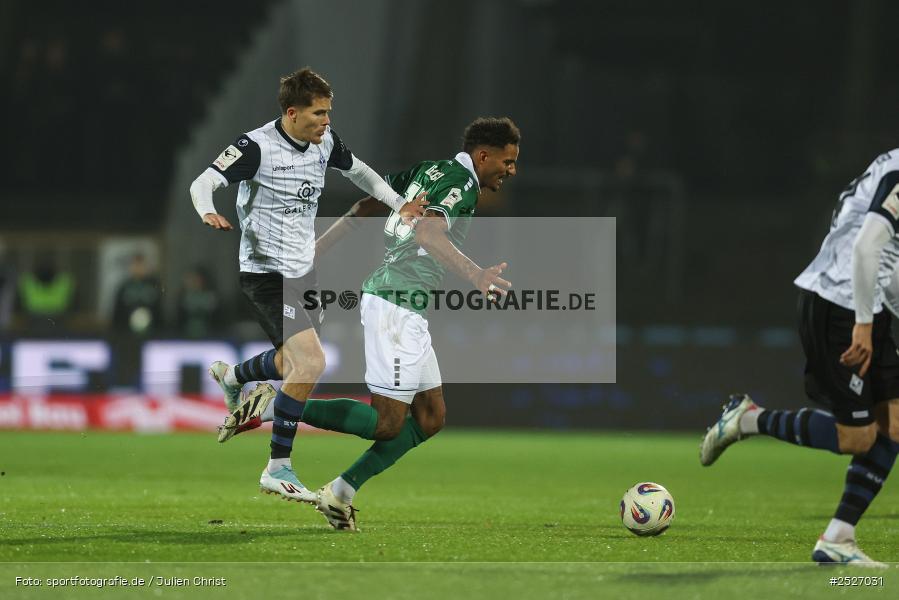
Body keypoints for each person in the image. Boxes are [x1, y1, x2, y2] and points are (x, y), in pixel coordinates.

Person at [219, 117, 521, 530]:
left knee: (430, 417)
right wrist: (476, 275)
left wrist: (315, 250)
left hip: (402, 303)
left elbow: (368, 204)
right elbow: (429, 235)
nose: (511, 170)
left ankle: (340, 493)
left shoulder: (426, 171)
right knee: (387, 422)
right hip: (397, 305)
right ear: (483, 155)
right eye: (507, 161)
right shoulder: (460, 184)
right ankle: (276, 405)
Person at [189, 67, 427, 503]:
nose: (326, 121)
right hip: (266, 274)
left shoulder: (325, 143)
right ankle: (277, 467)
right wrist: (207, 209)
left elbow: (364, 175)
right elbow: (203, 181)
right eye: (319, 113)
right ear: (293, 112)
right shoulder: (254, 146)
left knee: (291, 364)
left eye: (329, 112)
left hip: (304, 273)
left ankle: (234, 376)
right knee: (311, 364)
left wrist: (400, 205)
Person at [700, 149, 899, 567]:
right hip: (841, 304)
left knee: (895, 422)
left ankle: (838, 540)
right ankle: (749, 418)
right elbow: (867, 247)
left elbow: (889, 263)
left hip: (867, 303)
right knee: (857, 438)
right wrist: (864, 324)